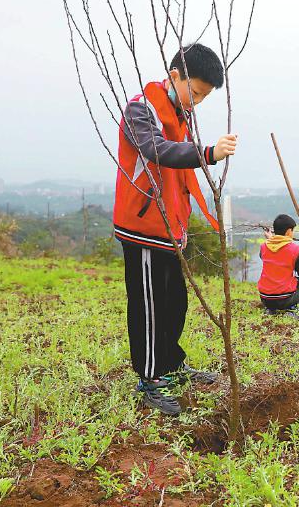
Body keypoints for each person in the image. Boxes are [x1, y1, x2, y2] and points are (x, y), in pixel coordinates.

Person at [113, 43, 238, 415]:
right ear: (175, 76)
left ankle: (170, 363)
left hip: (170, 226)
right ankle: (150, 378)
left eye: (204, 97)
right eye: (195, 92)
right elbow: (158, 150)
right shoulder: (142, 108)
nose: (197, 102)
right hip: (144, 224)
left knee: (174, 302)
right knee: (149, 305)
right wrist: (208, 153)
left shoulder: (179, 111)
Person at [258, 214, 299, 316]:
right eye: (292, 231)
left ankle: (271, 309)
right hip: (284, 299)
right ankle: (295, 309)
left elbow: (270, 257)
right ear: (289, 231)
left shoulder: (264, 247)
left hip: (265, 298)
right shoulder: (294, 250)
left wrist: (270, 239)